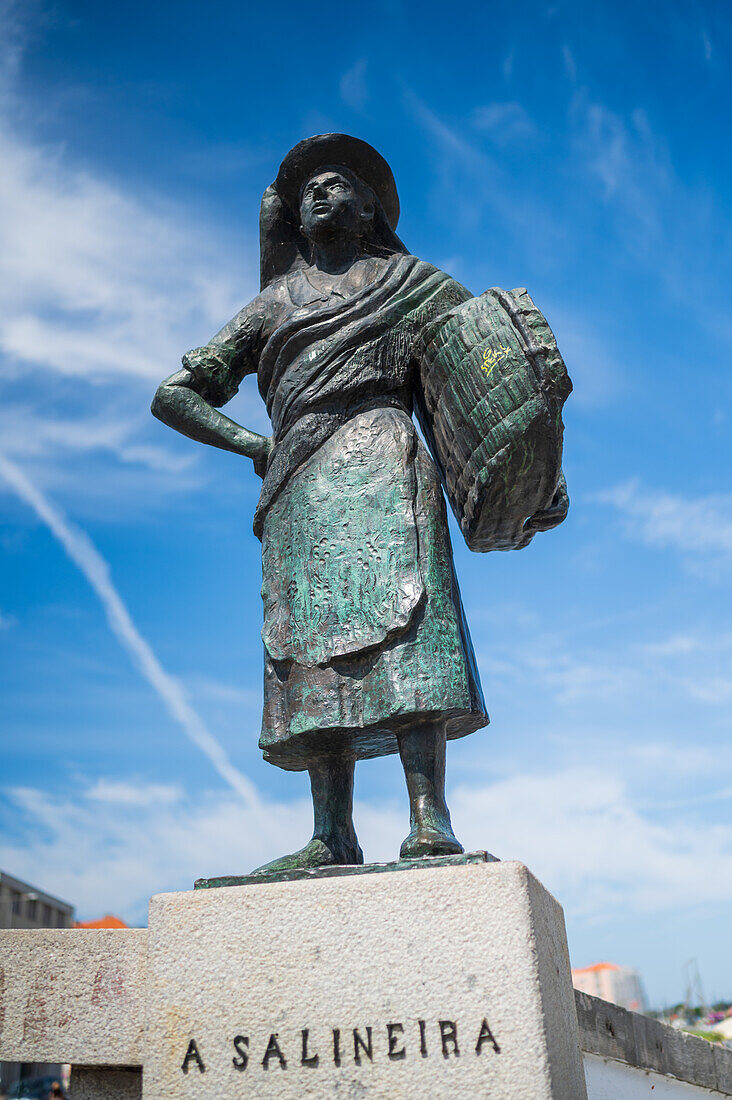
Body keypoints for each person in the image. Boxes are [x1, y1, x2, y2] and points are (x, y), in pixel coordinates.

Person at [152, 134, 488, 872]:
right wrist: (254, 444)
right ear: (294, 218)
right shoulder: (272, 304)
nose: (321, 195)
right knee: (311, 655)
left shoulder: (415, 285)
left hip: (387, 464)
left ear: (371, 206)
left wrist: (527, 469)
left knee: (408, 638)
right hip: (301, 487)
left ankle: (429, 819)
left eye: (339, 185)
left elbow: (481, 374)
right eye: (309, 190)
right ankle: (330, 832)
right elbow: (173, 396)